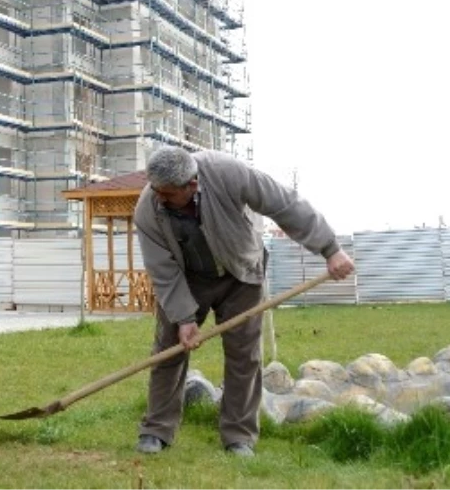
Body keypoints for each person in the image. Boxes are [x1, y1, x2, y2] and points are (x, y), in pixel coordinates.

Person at [133, 147, 355, 458]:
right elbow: (163, 269)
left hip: (242, 273)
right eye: (155, 191)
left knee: (244, 356)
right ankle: (156, 430)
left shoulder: (228, 172)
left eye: (167, 195)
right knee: (168, 352)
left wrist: (330, 248)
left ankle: (239, 436)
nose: (159, 199)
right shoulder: (149, 207)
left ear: (191, 186)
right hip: (189, 280)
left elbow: (284, 204)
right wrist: (184, 318)